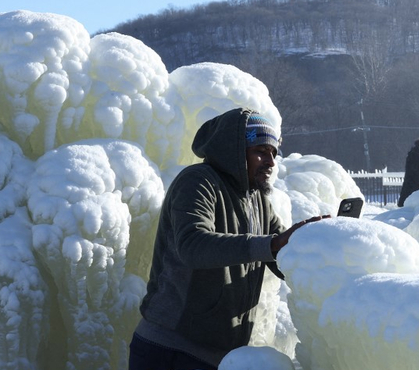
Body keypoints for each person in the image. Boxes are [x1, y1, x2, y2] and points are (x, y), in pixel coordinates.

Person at [129, 108, 327, 370]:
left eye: (273, 153)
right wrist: (270, 245)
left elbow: (281, 253)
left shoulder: (258, 199)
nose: (270, 162)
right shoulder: (198, 181)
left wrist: (322, 247)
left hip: (220, 356)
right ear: (233, 150)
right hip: (170, 349)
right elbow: (193, 245)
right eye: (260, 151)